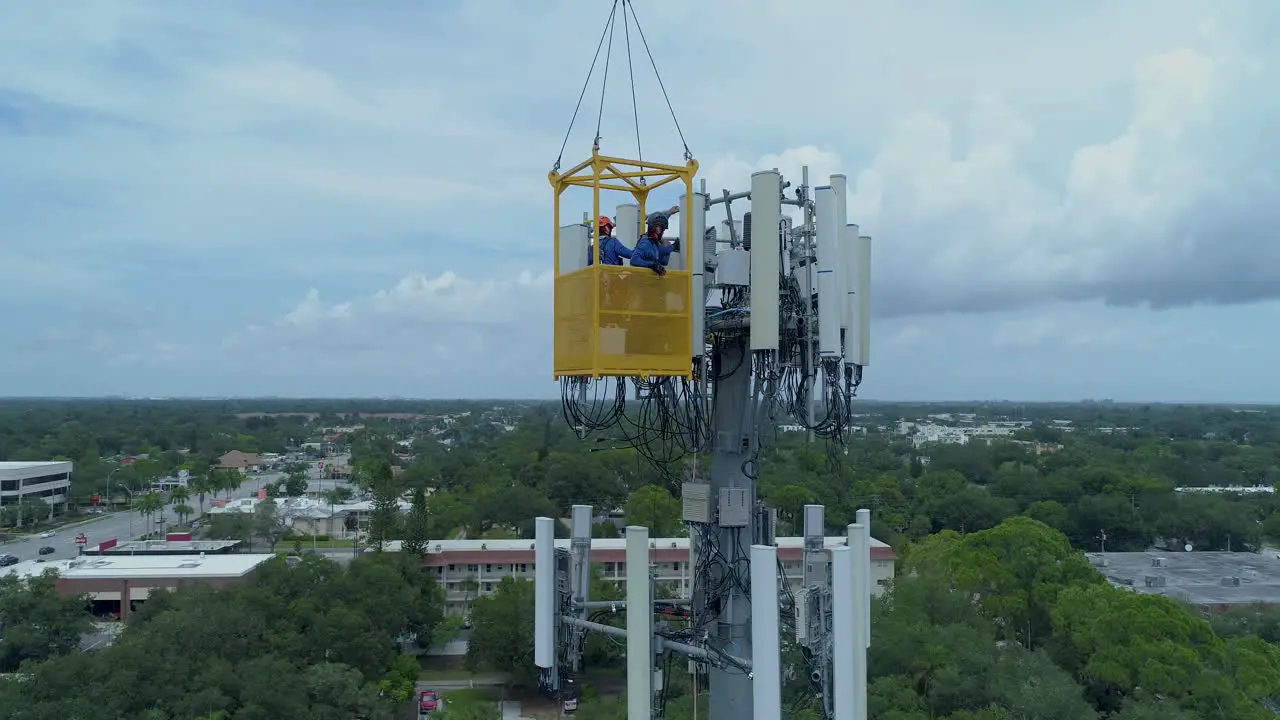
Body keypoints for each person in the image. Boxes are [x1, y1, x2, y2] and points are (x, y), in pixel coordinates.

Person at [630, 205, 681, 275]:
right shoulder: (645, 243)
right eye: (662, 230)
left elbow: (657, 222)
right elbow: (634, 260)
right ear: (657, 230)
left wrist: (669, 213)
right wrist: (652, 265)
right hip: (642, 283)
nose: (662, 232)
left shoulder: (653, 242)